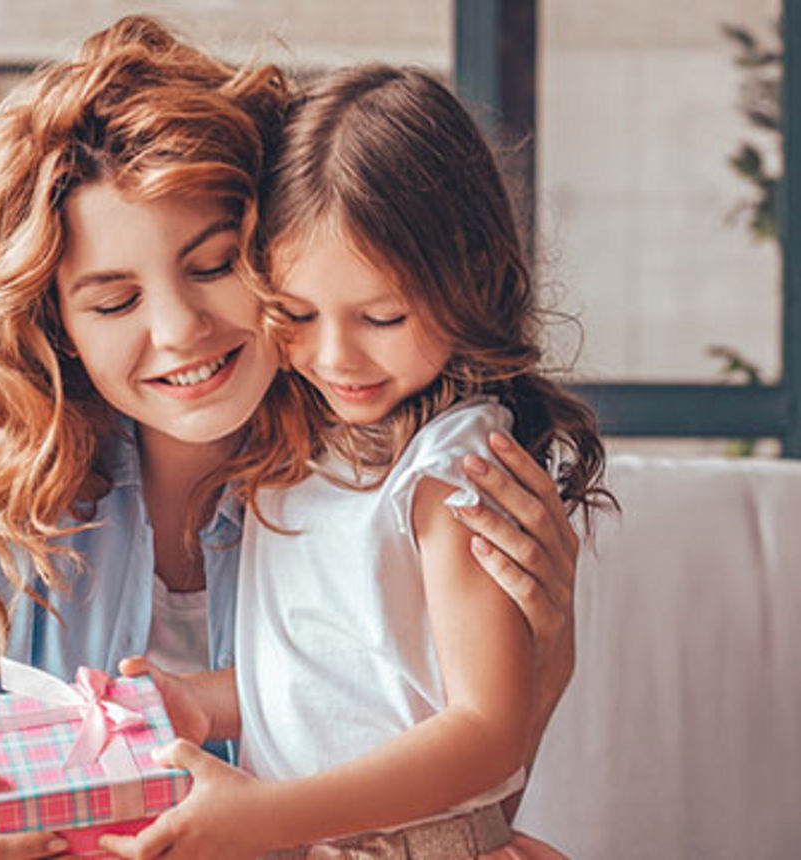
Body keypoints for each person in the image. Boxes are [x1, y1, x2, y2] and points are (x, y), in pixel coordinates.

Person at [0, 20, 583, 860]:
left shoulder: (357, 458)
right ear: (57, 325)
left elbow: (447, 784)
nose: (179, 332)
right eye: (112, 302)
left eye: (212, 267)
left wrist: (546, 664)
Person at [98, 65, 616, 860]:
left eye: (381, 316)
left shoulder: (455, 472)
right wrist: (199, 703)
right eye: (297, 315)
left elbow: (489, 732)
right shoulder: (308, 447)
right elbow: (353, 680)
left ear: (470, 274)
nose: (336, 358)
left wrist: (271, 815)